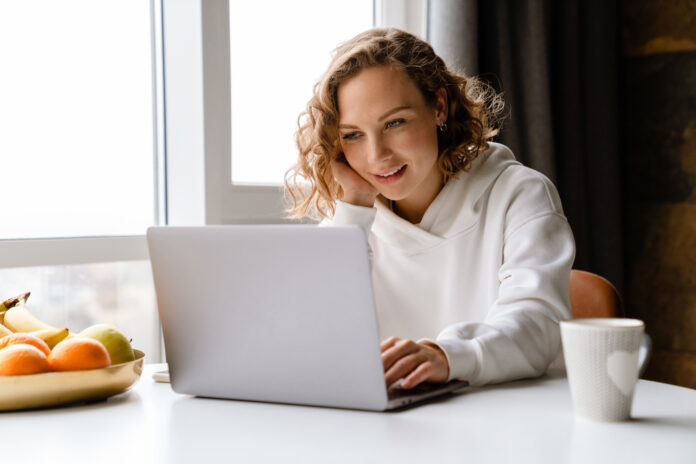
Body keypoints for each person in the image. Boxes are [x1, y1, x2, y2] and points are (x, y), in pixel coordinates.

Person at [285, 28, 575, 389]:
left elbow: (537, 323)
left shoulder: (519, 194)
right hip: (398, 430)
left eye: (394, 123)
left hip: (513, 420)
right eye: (353, 135)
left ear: (439, 106)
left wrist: (447, 356)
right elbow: (311, 338)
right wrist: (355, 208)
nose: (377, 156)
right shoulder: (350, 217)